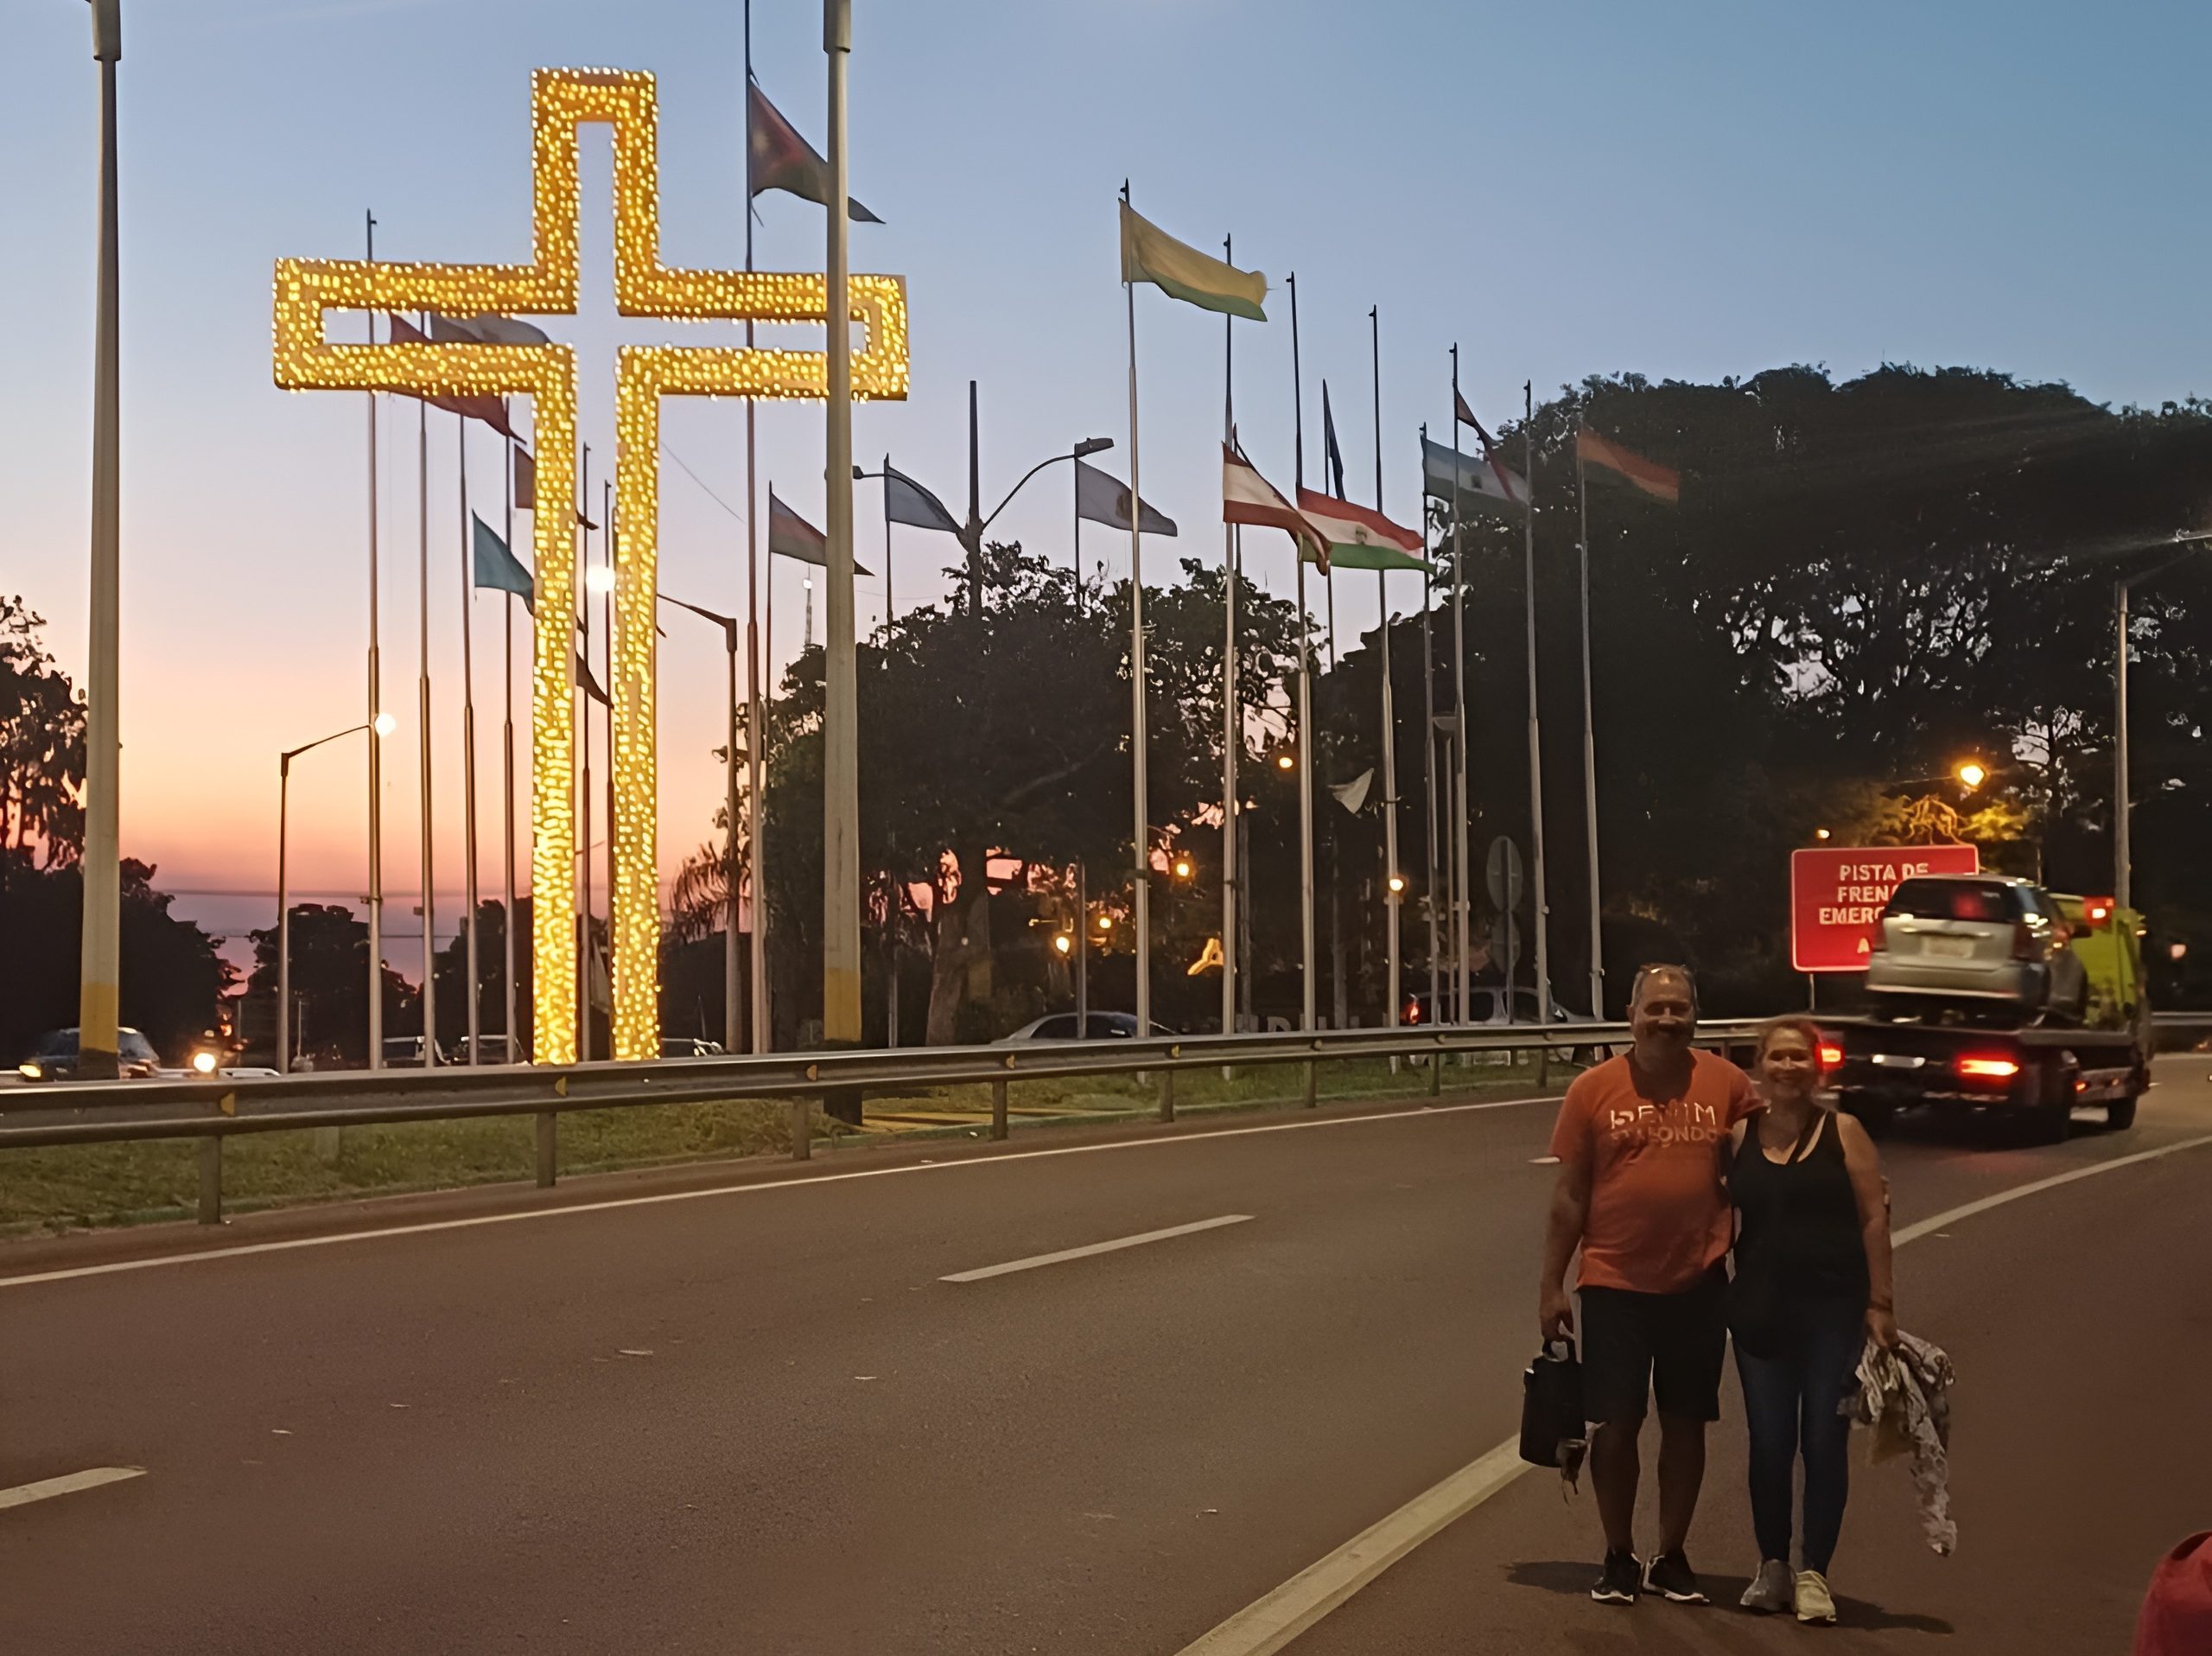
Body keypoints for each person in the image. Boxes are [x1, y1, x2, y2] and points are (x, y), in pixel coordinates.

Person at [1539, 964, 1754, 1608]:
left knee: (1686, 1424)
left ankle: (1672, 1555)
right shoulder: (1593, 1089)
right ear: (1630, 1015)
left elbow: (1768, 1168)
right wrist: (1551, 1285)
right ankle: (1618, 1554)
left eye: (1678, 1008)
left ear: (1695, 1016)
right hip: (1614, 1282)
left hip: (1698, 1281)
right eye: (1654, 1007)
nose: (1666, 1019)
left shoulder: (1728, 1084)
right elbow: (1569, 1196)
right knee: (1616, 1425)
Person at [1726, 1016, 1897, 1624]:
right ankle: (1772, 1566)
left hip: (1833, 1311)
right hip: (1759, 1312)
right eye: (1777, 1057)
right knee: (1770, 1443)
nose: (1788, 1067)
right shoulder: (1738, 1135)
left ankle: (1813, 1573)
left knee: (1824, 1441)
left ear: (1816, 1066)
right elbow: (1712, 1213)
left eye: (1799, 1057)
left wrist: (1880, 1304)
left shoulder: (1844, 1132)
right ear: (1760, 1065)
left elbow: (1873, 1217)